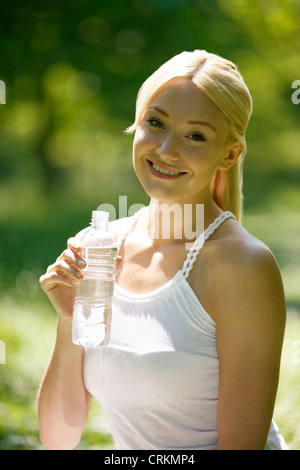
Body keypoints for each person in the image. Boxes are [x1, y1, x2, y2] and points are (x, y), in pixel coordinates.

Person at [38, 50, 288, 450]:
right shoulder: (97, 248)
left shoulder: (243, 266)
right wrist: (70, 319)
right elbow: (58, 438)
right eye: (156, 123)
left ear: (229, 153)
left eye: (196, 136)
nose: (167, 149)